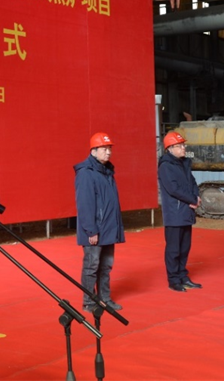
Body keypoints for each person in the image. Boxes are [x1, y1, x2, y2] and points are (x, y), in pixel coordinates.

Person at [74, 132, 125, 312]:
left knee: (106, 266)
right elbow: (85, 204)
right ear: (93, 151)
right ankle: (89, 302)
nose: (108, 152)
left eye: (109, 148)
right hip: (95, 230)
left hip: (108, 228)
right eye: (104, 148)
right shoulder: (86, 173)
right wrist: (91, 230)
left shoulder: (107, 171)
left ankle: (104, 299)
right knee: (92, 266)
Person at [157, 131, 202, 292]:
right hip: (174, 214)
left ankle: (183, 275)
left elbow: (192, 182)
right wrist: (192, 200)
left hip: (185, 212)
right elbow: (173, 189)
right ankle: (173, 279)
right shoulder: (166, 166)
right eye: (180, 145)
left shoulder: (184, 164)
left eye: (183, 145)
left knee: (184, 248)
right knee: (174, 249)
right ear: (170, 148)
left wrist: (196, 196)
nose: (184, 148)